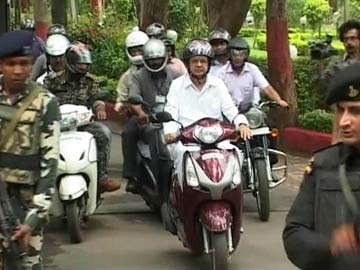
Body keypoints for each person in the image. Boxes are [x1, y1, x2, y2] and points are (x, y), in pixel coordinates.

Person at [283, 63, 360, 269]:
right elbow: (294, 234)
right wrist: (330, 245)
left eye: (355, 112)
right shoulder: (323, 165)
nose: (344, 121)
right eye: (341, 111)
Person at [0, 30, 60, 269]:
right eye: (10, 64)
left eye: (24, 64)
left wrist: (33, 218)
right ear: (1, 65)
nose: (17, 70)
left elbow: (50, 164)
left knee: (27, 263)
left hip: (26, 205)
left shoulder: (46, 103)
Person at [163, 39, 252, 185]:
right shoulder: (177, 85)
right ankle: (182, 192)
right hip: (187, 140)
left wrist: (242, 123)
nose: (199, 65)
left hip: (216, 138)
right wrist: (170, 133)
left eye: (203, 61)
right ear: (188, 64)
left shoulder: (218, 84)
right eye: (195, 61)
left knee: (235, 154)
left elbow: (231, 110)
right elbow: (170, 113)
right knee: (180, 155)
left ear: (209, 64)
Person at [44, 42, 120, 193]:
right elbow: (43, 98)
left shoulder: (90, 81)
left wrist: (100, 109)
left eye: (85, 64)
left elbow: (96, 98)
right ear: (70, 62)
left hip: (83, 124)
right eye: (80, 64)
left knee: (103, 133)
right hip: (57, 124)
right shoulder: (52, 80)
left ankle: (101, 178)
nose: (83, 67)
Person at [122, 39, 181, 193]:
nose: (155, 63)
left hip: (171, 118)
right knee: (128, 131)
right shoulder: (138, 76)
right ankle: (132, 175)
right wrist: (141, 114)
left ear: (165, 59)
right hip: (148, 117)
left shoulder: (175, 75)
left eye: (158, 60)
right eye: (151, 60)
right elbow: (134, 98)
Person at [216, 37, 288, 108]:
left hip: (248, 110)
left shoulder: (252, 69)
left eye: (242, 55)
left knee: (258, 116)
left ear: (246, 56)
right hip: (227, 111)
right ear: (229, 55)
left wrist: (279, 100)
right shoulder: (221, 73)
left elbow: (266, 87)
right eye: (234, 54)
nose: (238, 58)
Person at [114, 29, 149, 117]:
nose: (137, 54)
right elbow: (121, 101)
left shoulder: (159, 70)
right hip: (139, 117)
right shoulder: (126, 76)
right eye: (133, 51)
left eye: (140, 50)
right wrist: (122, 106)